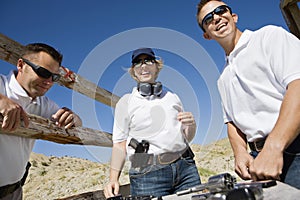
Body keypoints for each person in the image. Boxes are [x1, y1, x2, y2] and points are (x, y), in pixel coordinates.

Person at [196, 0, 300, 189]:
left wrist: (274, 147)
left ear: (233, 16)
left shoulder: (269, 37)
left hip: (295, 150)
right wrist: (240, 152)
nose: (216, 17)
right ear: (207, 35)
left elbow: (298, 85)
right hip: (259, 162)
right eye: (208, 19)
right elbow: (232, 122)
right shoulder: (223, 79)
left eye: (221, 11)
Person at [104, 48, 201, 198]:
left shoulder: (172, 97)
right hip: (147, 175)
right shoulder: (126, 102)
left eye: (148, 61)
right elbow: (119, 144)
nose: (143, 66)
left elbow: (185, 138)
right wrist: (113, 179)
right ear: (133, 71)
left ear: (157, 67)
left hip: (185, 168)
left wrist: (191, 125)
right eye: (138, 63)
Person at [0, 43, 82, 199]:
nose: (49, 82)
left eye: (55, 77)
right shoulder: (1, 85)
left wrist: (73, 118)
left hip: (14, 193)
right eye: (43, 72)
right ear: (21, 65)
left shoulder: (43, 104)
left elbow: (78, 123)